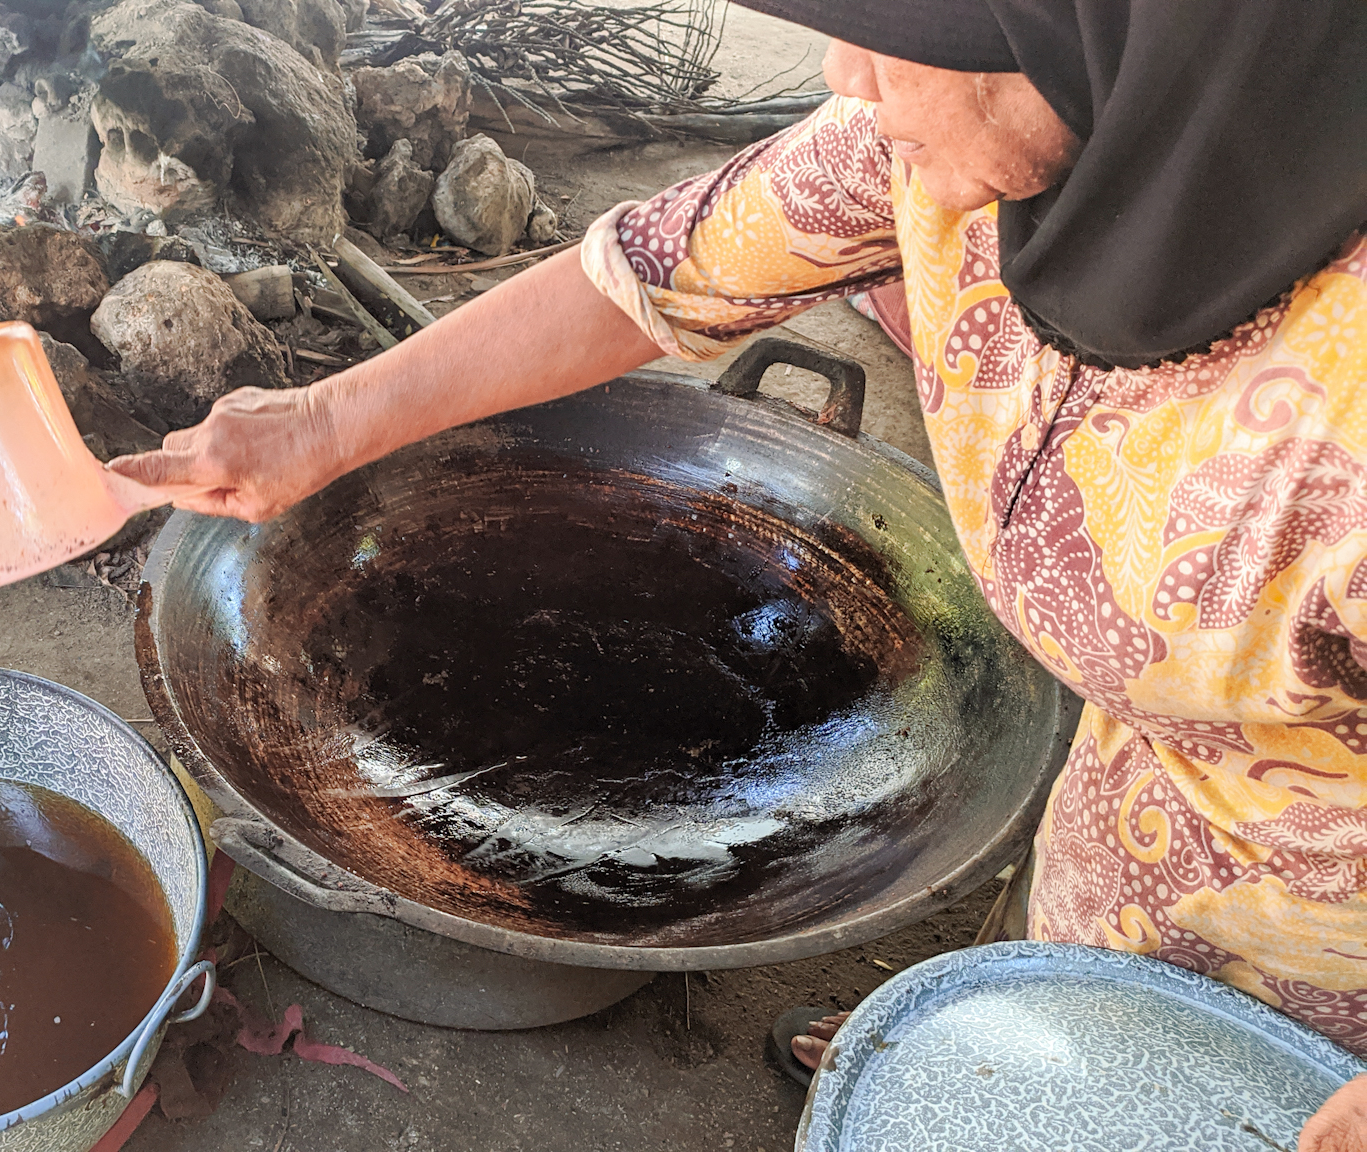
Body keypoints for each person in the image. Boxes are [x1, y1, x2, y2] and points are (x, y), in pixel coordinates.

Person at [109, 0, 1367, 1143]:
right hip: (1123, 831)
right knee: (1014, 1063)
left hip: (1318, 995)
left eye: (893, 28)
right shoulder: (977, 123)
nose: (841, 71)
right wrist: (326, 423)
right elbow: (657, 266)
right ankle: (967, 1033)